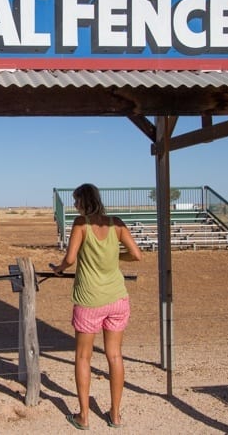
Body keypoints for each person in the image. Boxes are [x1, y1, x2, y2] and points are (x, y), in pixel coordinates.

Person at [50, 183, 143, 430]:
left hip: (89, 300)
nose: (74, 205)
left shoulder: (81, 225)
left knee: (83, 356)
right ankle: (115, 414)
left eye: (76, 201)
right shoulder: (117, 222)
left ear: (83, 201)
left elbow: (70, 259)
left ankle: (83, 416)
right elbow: (136, 254)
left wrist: (57, 269)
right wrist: (114, 257)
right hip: (117, 298)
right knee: (114, 355)